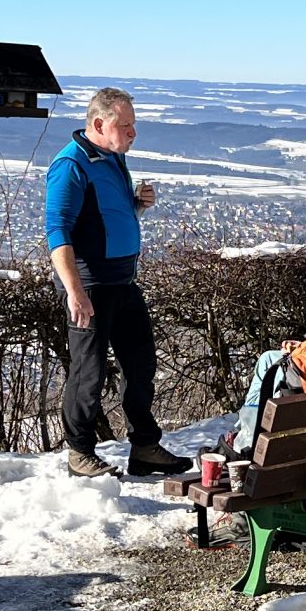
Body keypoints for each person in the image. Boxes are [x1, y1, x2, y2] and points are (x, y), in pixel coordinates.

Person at [47, 88, 188, 478]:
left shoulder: (112, 158)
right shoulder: (70, 164)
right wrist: (75, 291)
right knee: (88, 372)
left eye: (133, 125)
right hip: (90, 286)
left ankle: (144, 447)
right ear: (99, 124)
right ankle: (79, 453)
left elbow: (103, 219)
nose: (133, 133)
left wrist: (137, 205)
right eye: (125, 125)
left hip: (123, 281)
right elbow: (57, 231)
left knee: (141, 365)